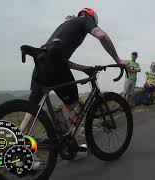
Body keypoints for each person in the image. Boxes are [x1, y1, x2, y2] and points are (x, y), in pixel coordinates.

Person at [20, 8, 127, 155]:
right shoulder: (85, 21)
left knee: (31, 110)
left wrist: (83, 68)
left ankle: (18, 150)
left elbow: (60, 58)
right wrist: (118, 60)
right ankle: (67, 141)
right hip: (56, 66)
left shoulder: (63, 27)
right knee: (76, 107)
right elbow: (102, 36)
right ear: (92, 18)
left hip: (41, 62)